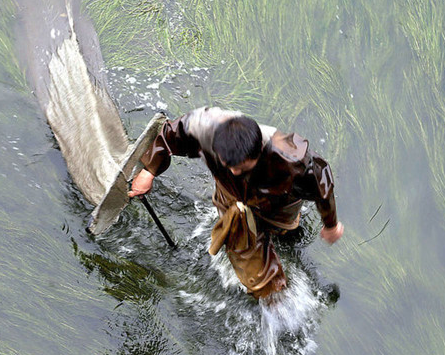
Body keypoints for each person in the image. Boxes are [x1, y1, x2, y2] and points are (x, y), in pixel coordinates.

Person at [128, 106, 344, 299]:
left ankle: (280, 232)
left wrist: (331, 224)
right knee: (252, 260)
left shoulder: (290, 159)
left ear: (258, 152)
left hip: (278, 200)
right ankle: (271, 297)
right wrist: (149, 171)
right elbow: (169, 136)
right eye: (228, 164)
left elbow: (322, 185)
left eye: (241, 168)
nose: (235, 171)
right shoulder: (203, 129)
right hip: (230, 193)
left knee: (286, 230)